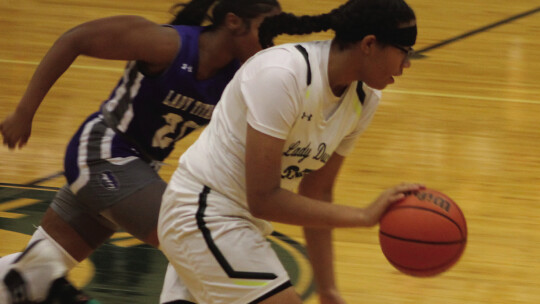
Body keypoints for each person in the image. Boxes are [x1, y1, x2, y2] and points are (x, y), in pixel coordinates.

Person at [0, 0, 281, 303]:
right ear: (234, 22)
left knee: (37, 267)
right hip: (104, 153)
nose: (271, 42)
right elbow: (74, 39)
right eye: (266, 31)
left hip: (137, 171)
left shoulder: (240, 75)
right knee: (193, 235)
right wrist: (23, 112)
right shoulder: (168, 44)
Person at [157, 0, 423, 303]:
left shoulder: (365, 99)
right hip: (202, 212)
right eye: (404, 51)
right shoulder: (282, 74)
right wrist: (363, 216)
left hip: (239, 226)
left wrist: (328, 288)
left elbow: (317, 193)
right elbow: (263, 198)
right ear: (369, 44)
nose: (407, 64)